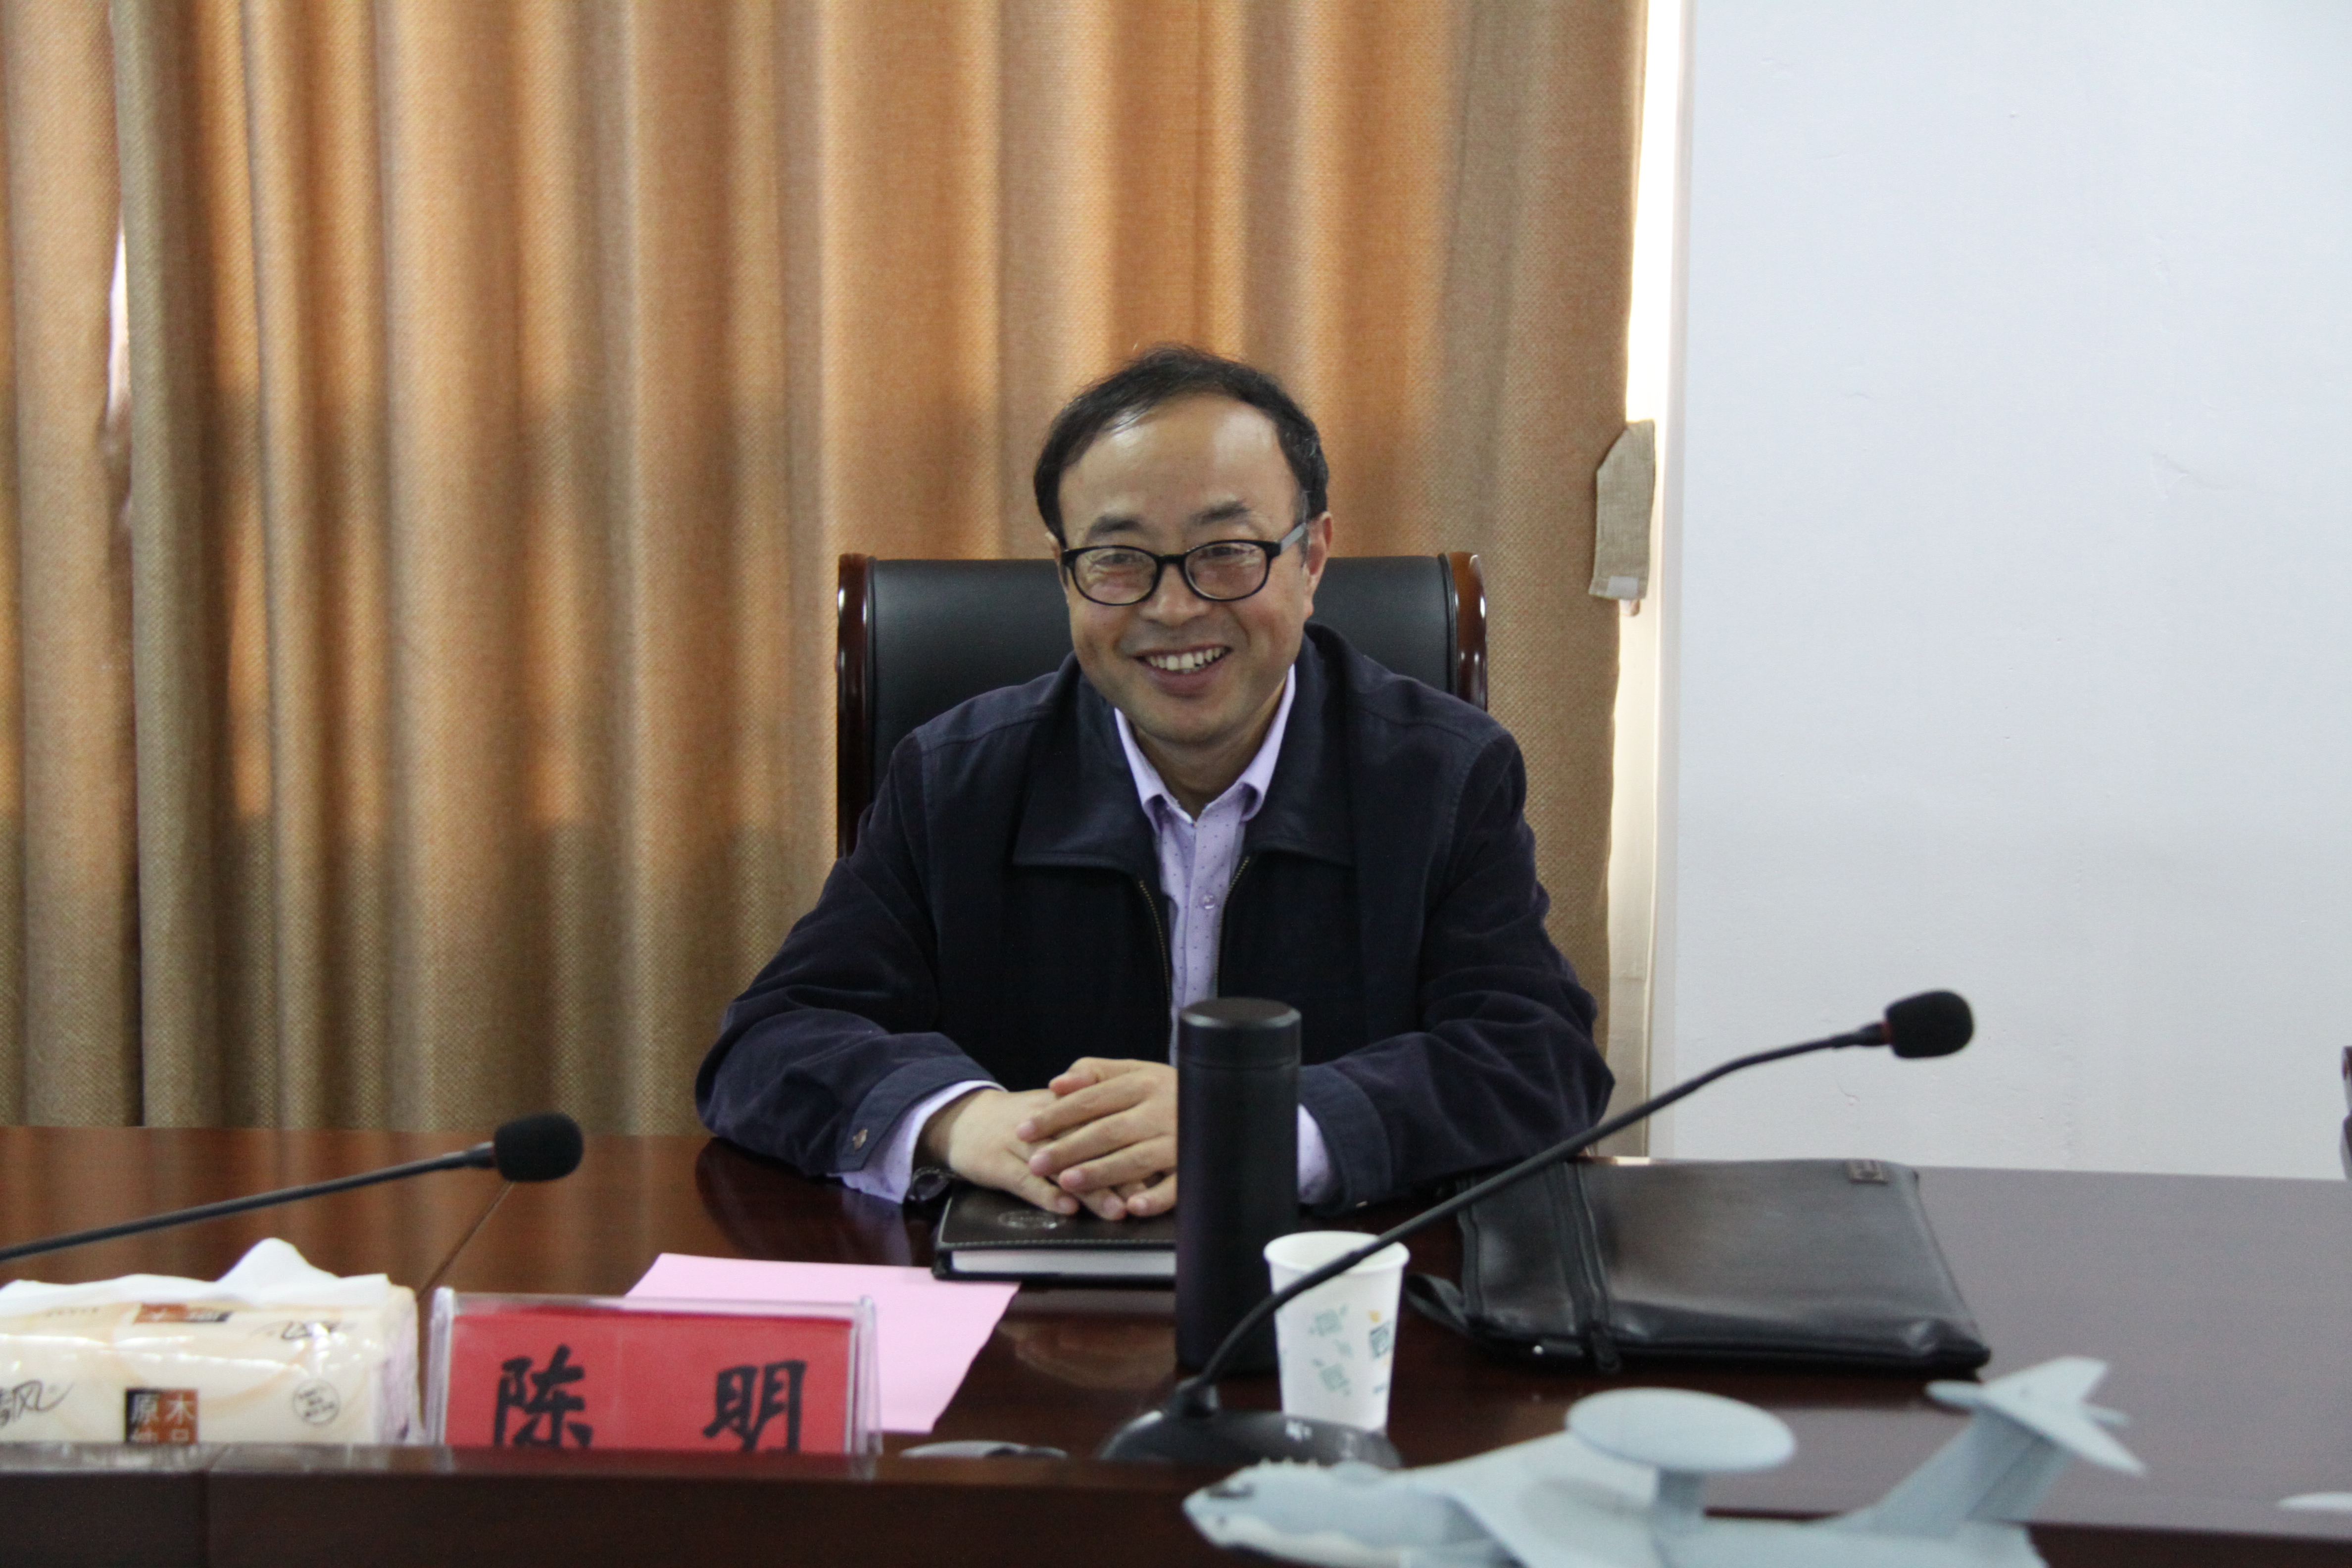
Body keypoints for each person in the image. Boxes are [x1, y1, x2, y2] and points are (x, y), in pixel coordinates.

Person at [696, 345, 1609, 1219]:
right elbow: (771, 1042)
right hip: (1026, 1270)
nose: (1174, 609)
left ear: (1312, 559)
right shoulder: (955, 779)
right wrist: (961, 1120)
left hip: (1328, 1274)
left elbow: (1538, 1061)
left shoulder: (1440, 773)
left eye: (1228, 550)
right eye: (1119, 560)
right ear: (1066, 577)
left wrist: (1253, 1125)